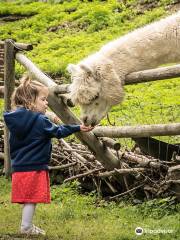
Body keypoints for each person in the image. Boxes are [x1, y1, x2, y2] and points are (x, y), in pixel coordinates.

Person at [3, 76, 94, 236]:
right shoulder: (40, 120)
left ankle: (27, 225)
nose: (47, 103)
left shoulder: (15, 120)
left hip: (19, 166)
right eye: (43, 99)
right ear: (30, 101)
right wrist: (77, 127)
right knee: (31, 198)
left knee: (28, 198)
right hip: (34, 166)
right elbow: (58, 131)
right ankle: (26, 228)